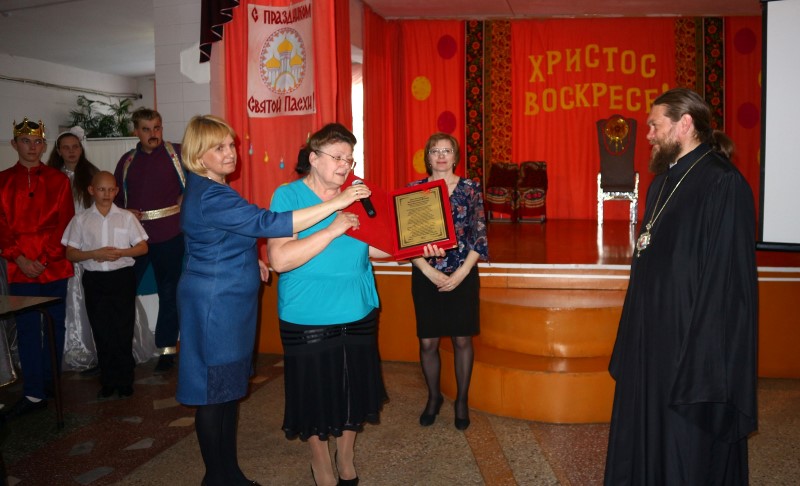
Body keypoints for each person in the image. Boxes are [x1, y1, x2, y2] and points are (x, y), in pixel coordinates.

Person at [176, 116, 369, 486]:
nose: (230, 153)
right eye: (219, 148)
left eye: (231, 145)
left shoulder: (213, 188)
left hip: (227, 299)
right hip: (214, 305)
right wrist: (339, 203)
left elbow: (224, 238)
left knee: (227, 392)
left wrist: (252, 260)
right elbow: (267, 223)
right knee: (213, 394)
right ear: (198, 155)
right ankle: (216, 478)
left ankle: (229, 473)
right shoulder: (209, 193)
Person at [604, 88, 758, 485]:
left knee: (685, 449)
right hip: (652, 342)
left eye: (654, 126)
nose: (648, 135)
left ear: (684, 124)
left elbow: (728, 284)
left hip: (690, 348)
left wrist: (702, 356)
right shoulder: (661, 183)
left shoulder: (723, 183)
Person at [267, 123, 390, 486]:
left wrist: (417, 246)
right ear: (313, 158)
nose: (345, 165)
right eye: (338, 157)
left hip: (358, 307)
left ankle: (346, 455)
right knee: (315, 393)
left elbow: (376, 247)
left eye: (350, 158)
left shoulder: (359, 194)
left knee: (354, 390)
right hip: (307, 314)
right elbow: (281, 260)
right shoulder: (287, 196)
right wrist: (333, 228)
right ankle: (320, 459)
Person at [408, 133, 488, 431]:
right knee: (428, 341)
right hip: (426, 275)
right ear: (427, 157)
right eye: (435, 151)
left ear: (455, 157)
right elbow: (407, 241)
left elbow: (479, 236)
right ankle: (434, 397)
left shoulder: (471, 189)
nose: (441, 155)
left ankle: (461, 401)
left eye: (447, 150)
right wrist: (429, 272)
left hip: (462, 274)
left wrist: (460, 275)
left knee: (462, 339)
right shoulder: (414, 191)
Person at [0, 118, 74, 418]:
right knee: (28, 328)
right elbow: (1, 227)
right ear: (14, 144)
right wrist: (18, 258)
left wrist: (44, 259)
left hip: (53, 265)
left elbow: (65, 223)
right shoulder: (2, 181)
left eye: (38, 142)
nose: (32, 147)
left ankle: (50, 380)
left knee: (55, 325)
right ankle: (33, 392)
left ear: (44, 146)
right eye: (26, 141)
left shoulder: (59, 181)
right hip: (19, 268)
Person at [62, 171, 149, 399]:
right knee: (101, 330)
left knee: (123, 329)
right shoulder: (80, 219)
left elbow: (142, 248)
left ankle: (125, 379)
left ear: (117, 191)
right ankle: (108, 380)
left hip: (122, 278)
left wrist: (121, 252)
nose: (106, 194)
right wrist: (94, 253)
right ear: (91, 190)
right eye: (101, 189)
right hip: (95, 280)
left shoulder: (126, 217)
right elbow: (70, 253)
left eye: (111, 189)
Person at [114, 108, 184, 373]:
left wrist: (186, 196)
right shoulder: (127, 161)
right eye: (146, 129)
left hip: (171, 234)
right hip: (135, 239)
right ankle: (123, 351)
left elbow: (201, 181)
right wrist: (124, 212)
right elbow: (114, 199)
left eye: (157, 127)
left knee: (169, 292)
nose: (153, 134)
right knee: (123, 292)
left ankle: (167, 350)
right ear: (136, 131)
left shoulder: (177, 154)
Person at [47, 127, 100, 372]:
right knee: (70, 299)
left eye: (75, 147)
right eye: (66, 148)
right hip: (62, 246)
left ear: (81, 149)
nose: (71, 152)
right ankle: (73, 349)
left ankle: (99, 347)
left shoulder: (91, 175)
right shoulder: (51, 177)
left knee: (93, 297)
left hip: (89, 244)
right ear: (58, 151)